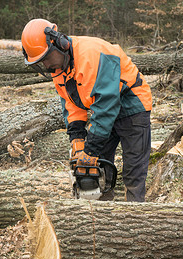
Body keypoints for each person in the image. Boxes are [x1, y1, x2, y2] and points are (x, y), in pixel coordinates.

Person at [21, 18, 152, 202]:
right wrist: (77, 138)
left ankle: (136, 218)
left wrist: (90, 150)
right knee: (100, 167)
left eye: (46, 58)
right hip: (104, 110)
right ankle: (100, 215)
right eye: (41, 62)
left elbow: (106, 105)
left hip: (132, 104)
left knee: (133, 170)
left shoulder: (91, 55)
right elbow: (71, 104)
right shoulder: (59, 69)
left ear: (59, 44)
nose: (46, 66)